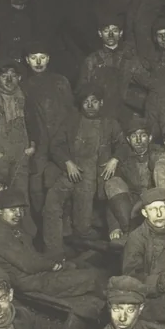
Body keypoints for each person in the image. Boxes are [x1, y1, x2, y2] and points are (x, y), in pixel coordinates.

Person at [0, 188, 108, 327]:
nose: (18, 214)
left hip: (37, 276)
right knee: (92, 276)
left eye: (20, 209)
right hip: (32, 282)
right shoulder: (0, 236)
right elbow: (28, 264)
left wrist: (58, 264)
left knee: (79, 265)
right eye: (13, 210)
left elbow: (33, 257)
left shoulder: (13, 230)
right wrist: (53, 265)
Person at [42, 86, 124, 257]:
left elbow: (123, 144)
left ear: (101, 103)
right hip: (74, 173)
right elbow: (56, 145)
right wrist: (67, 162)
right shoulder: (72, 122)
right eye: (86, 102)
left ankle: (91, 237)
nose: (90, 105)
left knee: (84, 224)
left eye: (94, 101)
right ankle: (55, 250)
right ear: (81, 105)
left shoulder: (110, 123)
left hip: (100, 174)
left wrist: (114, 159)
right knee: (52, 202)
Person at [21, 39, 74, 216]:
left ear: (48, 59)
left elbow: (71, 111)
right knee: (36, 184)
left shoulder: (60, 82)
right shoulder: (24, 86)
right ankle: (41, 224)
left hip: (61, 140)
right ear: (27, 60)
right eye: (33, 58)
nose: (38, 62)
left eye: (42, 57)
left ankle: (64, 223)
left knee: (61, 180)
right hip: (38, 143)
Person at [122, 188, 165, 324]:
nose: (158, 214)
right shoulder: (137, 238)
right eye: (152, 209)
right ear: (145, 213)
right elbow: (131, 278)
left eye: (163, 208)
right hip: (152, 298)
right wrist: (159, 282)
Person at [0, 58, 39, 196]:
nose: (9, 80)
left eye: (13, 76)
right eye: (4, 76)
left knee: (20, 196)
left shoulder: (27, 101)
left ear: (19, 78)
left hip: (22, 156)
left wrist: (32, 146)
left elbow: (35, 126)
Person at [78, 21, 147, 124]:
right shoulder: (92, 61)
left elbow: (147, 84)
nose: (110, 35)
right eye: (106, 31)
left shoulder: (131, 60)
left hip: (125, 115)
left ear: (120, 33)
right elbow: (82, 91)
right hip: (100, 116)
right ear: (100, 34)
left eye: (114, 31)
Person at [101, 115, 156, 242]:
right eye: (133, 136)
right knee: (112, 183)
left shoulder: (159, 156)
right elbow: (113, 198)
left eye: (142, 135)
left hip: (155, 205)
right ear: (128, 140)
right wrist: (114, 227)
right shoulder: (123, 161)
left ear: (150, 138)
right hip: (131, 211)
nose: (138, 140)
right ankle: (129, 233)